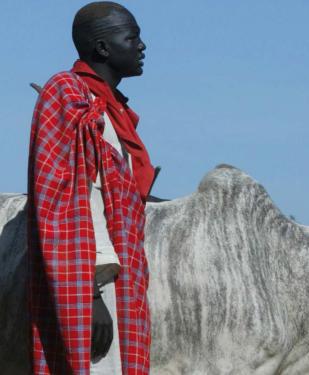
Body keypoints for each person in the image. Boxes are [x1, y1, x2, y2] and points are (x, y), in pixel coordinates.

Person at [27, 2, 153, 374]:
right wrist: (92, 293)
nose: (142, 46)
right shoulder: (66, 92)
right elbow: (70, 198)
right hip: (91, 277)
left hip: (121, 275)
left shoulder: (110, 109)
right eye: (132, 37)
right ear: (102, 48)